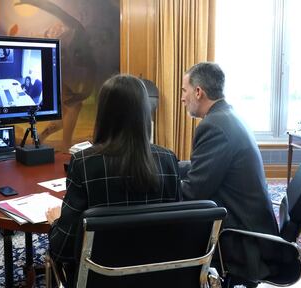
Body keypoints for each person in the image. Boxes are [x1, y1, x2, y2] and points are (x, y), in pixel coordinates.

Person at [46, 74, 182, 284]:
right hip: (155, 278)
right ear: (145, 113)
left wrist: (55, 221)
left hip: (97, 280)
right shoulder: (168, 160)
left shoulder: (84, 162)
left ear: (104, 114)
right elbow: (176, 233)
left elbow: (62, 249)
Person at [180, 62, 279, 286]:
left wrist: (160, 184)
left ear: (198, 92)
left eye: (184, 91)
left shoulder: (214, 126)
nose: (183, 98)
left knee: (167, 230)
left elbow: (193, 193)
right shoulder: (227, 115)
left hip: (242, 240)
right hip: (252, 227)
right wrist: (171, 167)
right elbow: (206, 167)